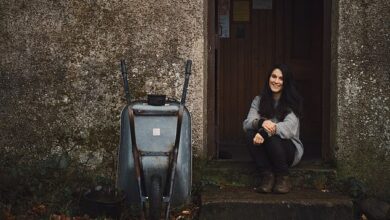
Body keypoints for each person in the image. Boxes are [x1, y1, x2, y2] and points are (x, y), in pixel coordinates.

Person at [243, 64, 303, 194]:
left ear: (286, 82)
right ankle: (267, 176)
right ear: (269, 78)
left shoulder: (292, 103)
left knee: (273, 138)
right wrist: (261, 123)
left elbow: (289, 129)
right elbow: (247, 122)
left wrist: (265, 132)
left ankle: (283, 177)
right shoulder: (259, 100)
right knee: (249, 134)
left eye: (281, 78)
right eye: (273, 76)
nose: (276, 81)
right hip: (267, 149)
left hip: (288, 150)